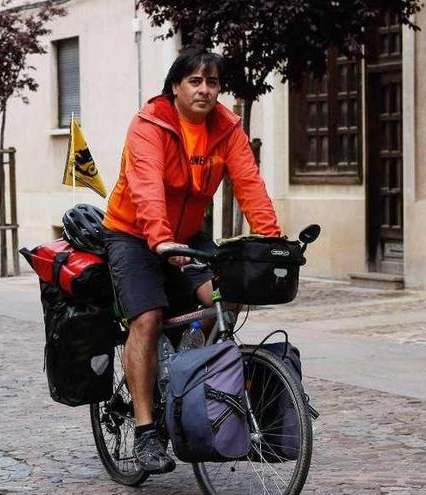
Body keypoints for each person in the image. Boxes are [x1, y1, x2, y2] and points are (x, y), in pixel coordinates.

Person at [101, 48, 282, 473]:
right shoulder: (151, 125)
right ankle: (146, 431)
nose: (205, 90)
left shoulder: (226, 127)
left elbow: (249, 183)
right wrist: (161, 241)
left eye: (213, 82)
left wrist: (272, 240)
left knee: (226, 299)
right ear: (176, 86)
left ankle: (184, 372)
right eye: (196, 81)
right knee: (146, 319)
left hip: (186, 235)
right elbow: (145, 186)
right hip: (132, 234)